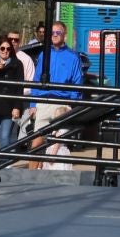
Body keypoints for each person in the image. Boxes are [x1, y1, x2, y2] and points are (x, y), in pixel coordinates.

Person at [29, 20, 86, 165]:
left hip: (62, 104)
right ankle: (31, 178)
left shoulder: (73, 57)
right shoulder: (44, 54)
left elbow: (77, 82)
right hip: (43, 102)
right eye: (52, 32)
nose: (54, 35)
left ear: (64, 35)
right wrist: (33, 103)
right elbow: (36, 79)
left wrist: (71, 105)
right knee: (36, 145)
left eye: (58, 32)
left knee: (57, 147)